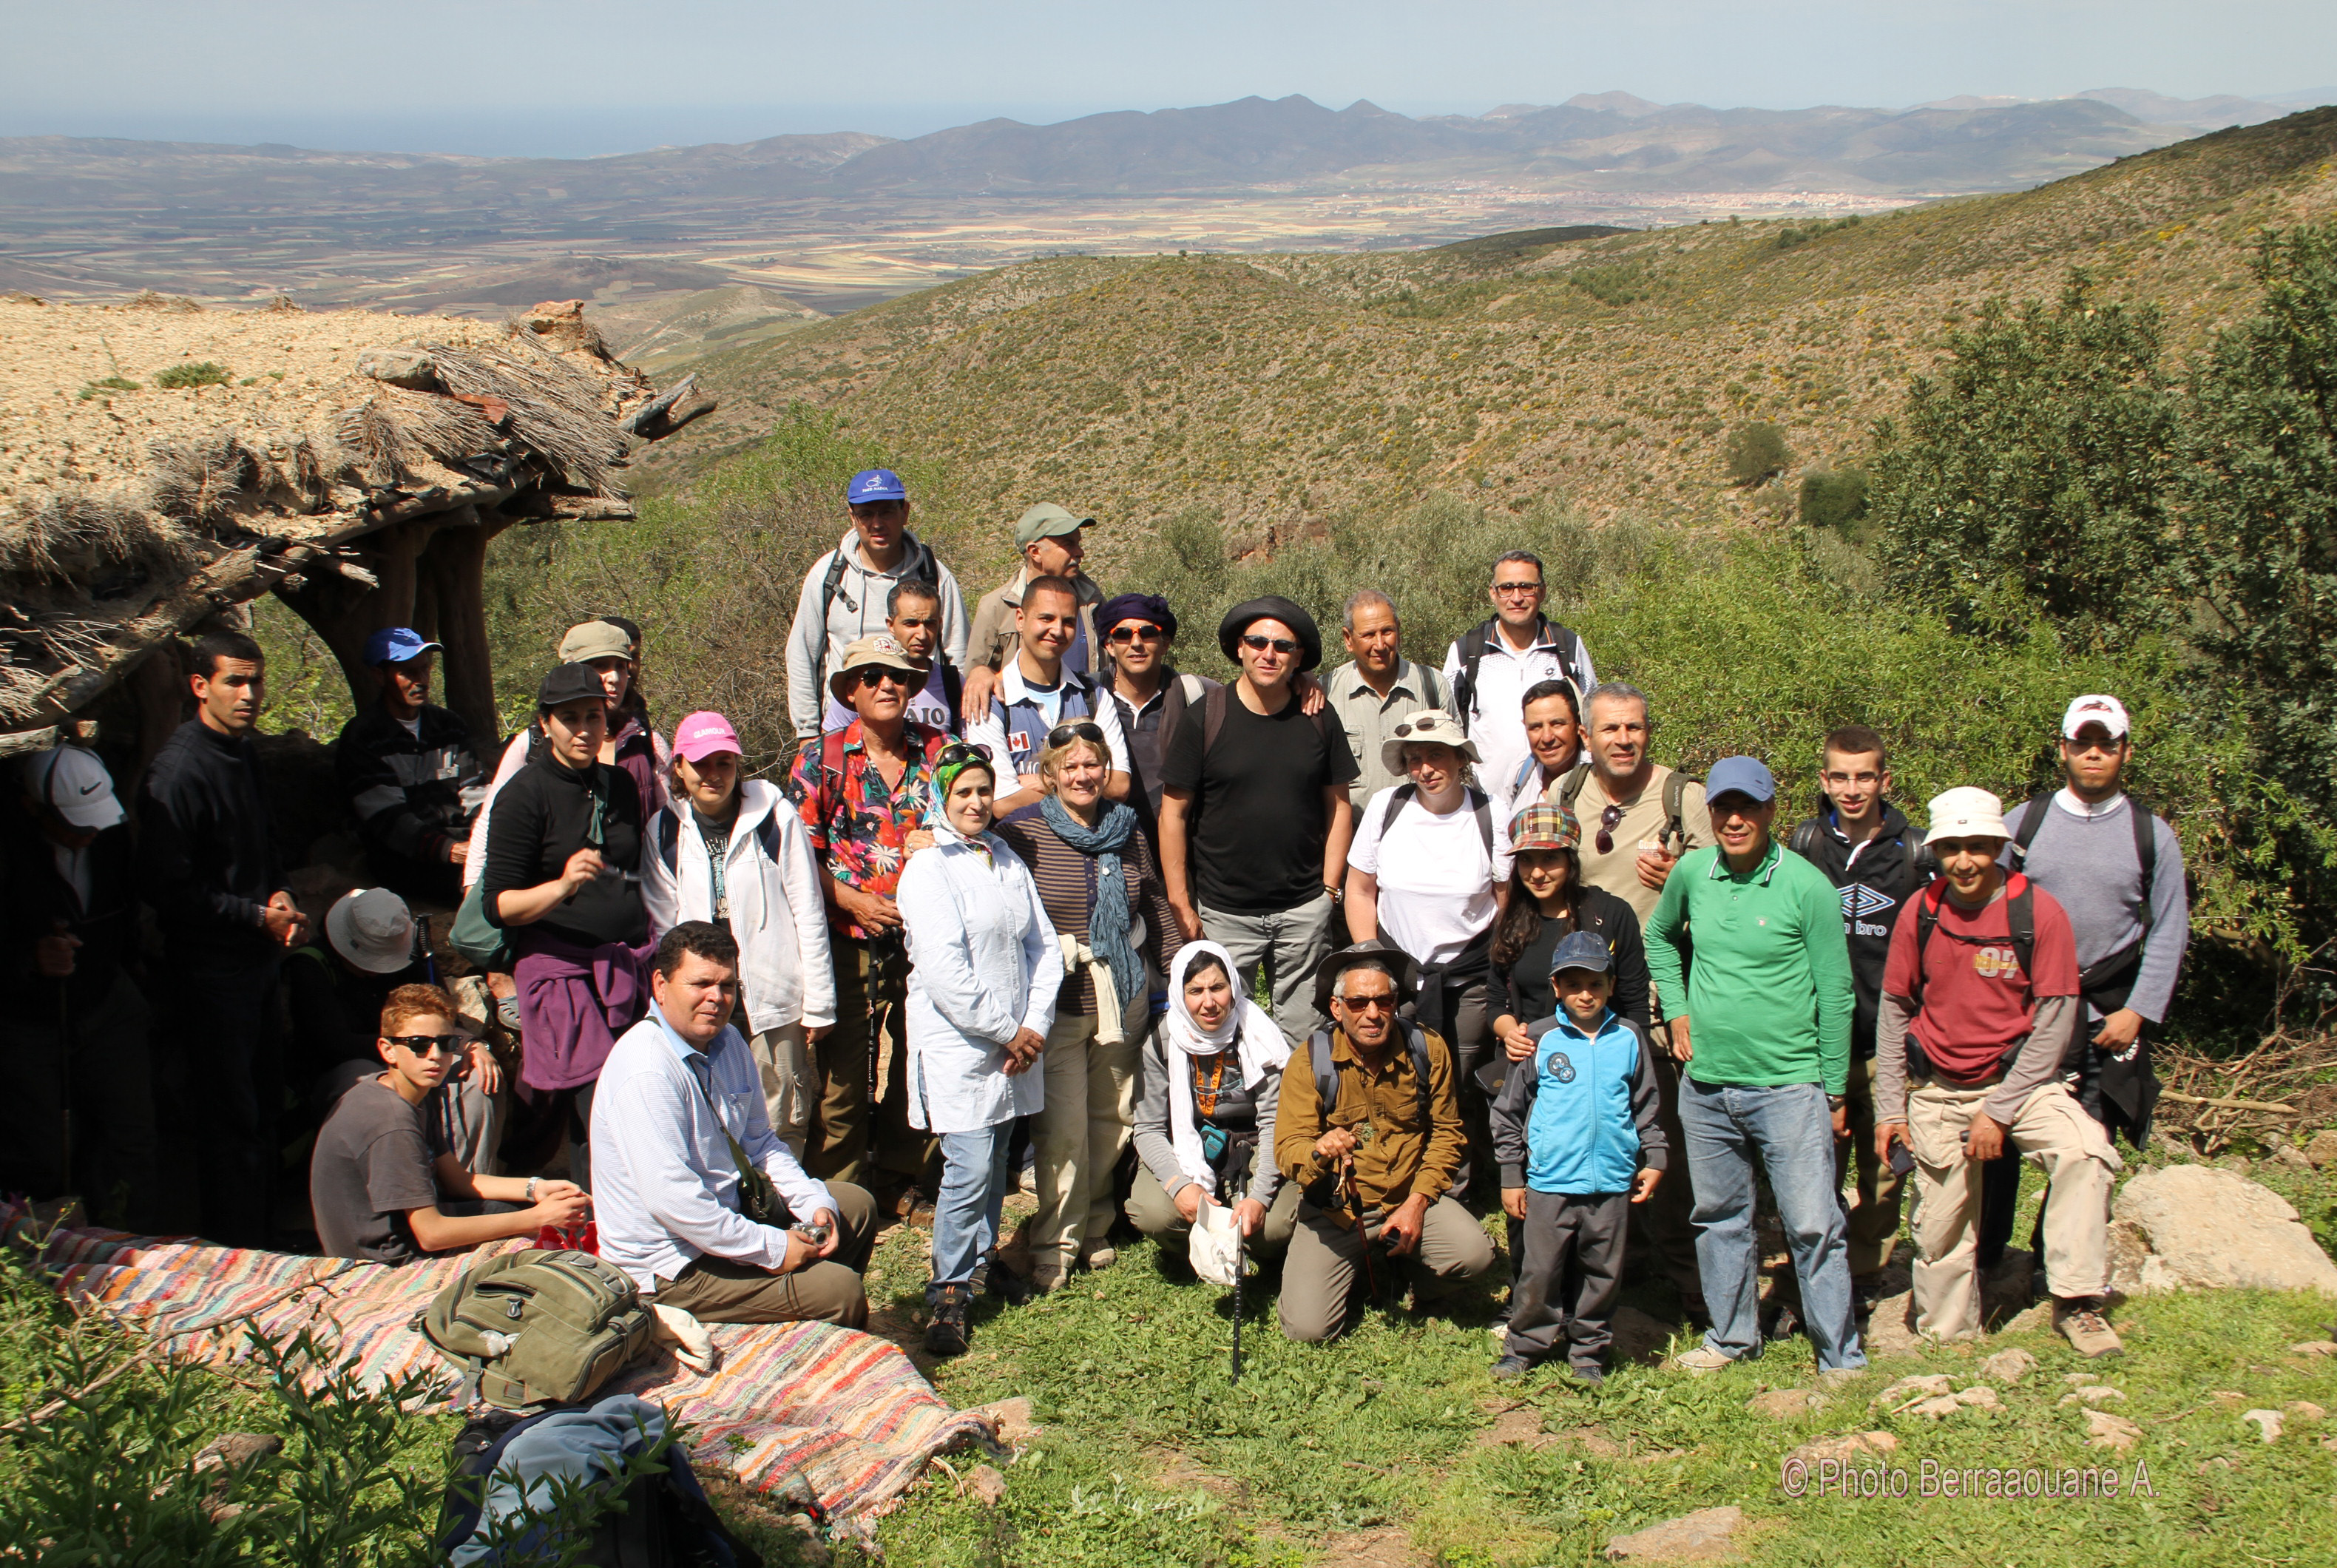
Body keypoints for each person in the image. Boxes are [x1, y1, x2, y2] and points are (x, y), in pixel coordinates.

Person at [1873, 789, 2124, 1357]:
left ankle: (2077, 1302)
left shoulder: (2038, 913)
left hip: (2023, 1084)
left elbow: (2057, 1018)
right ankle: (1950, 1341)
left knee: (2085, 1152)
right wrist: (1891, 1109)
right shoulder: (1923, 911)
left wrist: (2000, 1110)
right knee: (1940, 1233)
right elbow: (1894, 1009)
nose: (1965, 861)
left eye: (1979, 848)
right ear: (1936, 851)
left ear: (1999, 849)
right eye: (1953, 848)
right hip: (1940, 1087)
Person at [1645, 757, 1863, 1375]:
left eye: (1748, 808)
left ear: (1771, 811)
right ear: (1708, 813)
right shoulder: (1692, 872)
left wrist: (1834, 1085)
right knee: (1718, 1219)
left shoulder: (1807, 886)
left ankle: (1839, 1356)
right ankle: (1731, 1339)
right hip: (1707, 1082)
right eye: (1723, 808)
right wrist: (1678, 1010)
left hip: (1790, 1085)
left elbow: (1836, 991)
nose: (1735, 820)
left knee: (1813, 1225)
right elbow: (1661, 937)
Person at [1978, 693, 2191, 1279]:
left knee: (2092, 1138)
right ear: (2064, 748)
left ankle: (2058, 1269)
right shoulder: (2026, 822)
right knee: (2003, 1130)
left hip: (2107, 1011)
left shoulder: (2153, 836)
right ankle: (1989, 1257)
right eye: (2083, 743)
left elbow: (2170, 927)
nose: (2093, 754)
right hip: (2026, 1009)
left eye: (2106, 744)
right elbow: (1986, 906)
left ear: (2125, 750)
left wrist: (2141, 1012)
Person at [592, 922, 877, 1325]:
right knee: (839, 1291)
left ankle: (799, 1318)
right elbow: (676, 1203)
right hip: (671, 1264)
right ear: (660, 984)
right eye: (701, 984)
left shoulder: (728, 1043)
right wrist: (773, 1247)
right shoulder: (646, 1071)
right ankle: (806, 1323)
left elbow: (761, 1142)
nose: (717, 998)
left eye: (727, 986)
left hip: (729, 1217)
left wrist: (810, 1202)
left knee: (851, 1206)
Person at [995, 723, 1183, 1288]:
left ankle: (1096, 1221)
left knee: (1114, 1117)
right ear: (1048, 774)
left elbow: (1152, 901)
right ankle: (1056, 1241)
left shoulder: (1128, 830)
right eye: (1069, 766)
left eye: (1092, 764)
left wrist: (1175, 971)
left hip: (1122, 993)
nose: (1082, 776)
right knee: (1062, 1128)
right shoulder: (1020, 833)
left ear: (1106, 770)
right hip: (1058, 1001)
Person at [138, 629, 307, 1247]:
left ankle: (263, 1234)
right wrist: (251, 915)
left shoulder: (244, 754)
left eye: (256, 680)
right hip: (209, 971)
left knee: (265, 1107)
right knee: (228, 1119)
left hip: (258, 963)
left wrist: (282, 892)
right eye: (235, 680)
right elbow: (166, 890)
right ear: (199, 685)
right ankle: (234, 1246)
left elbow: (264, 846)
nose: (249, 693)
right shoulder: (178, 772)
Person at [896, 746, 1061, 1353]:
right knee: (966, 1168)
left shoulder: (1005, 857)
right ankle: (948, 1290)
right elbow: (945, 971)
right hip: (962, 1046)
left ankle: (983, 1266)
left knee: (994, 1163)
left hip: (1013, 1043)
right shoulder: (928, 870)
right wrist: (1006, 1030)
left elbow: (1041, 948)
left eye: (983, 791)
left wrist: (1033, 1026)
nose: (975, 803)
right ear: (941, 796)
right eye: (962, 792)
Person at [1555, 680, 1711, 1313]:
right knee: (1595, 1132)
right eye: (1610, 730)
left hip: (1659, 996)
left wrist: (1682, 878)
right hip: (1586, 997)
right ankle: (1609, 1271)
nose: (1624, 740)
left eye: (1635, 728)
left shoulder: (1684, 798)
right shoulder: (1564, 794)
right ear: (1586, 737)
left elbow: (1727, 889)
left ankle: (1690, 1279)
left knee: (1664, 1134)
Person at [783, 633, 950, 1200]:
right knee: (844, 1073)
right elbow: (796, 858)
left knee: (917, 1057)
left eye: (898, 677)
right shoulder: (821, 760)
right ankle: (841, 1192)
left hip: (924, 940)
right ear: (850, 689)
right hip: (846, 937)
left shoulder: (939, 753)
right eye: (873, 676)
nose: (887, 686)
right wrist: (851, 900)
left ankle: (903, 1176)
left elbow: (971, 825)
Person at [478, 663, 652, 1191]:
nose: (583, 729)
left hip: (623, 964)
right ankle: (596, 1231)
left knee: (632, 1094)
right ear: (544, 723)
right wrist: (561, 885)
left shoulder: (620, 785)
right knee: (593, 1106)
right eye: (569, 718)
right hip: (559, 968)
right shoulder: (523, 796)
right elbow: (498, 904)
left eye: (593, 717)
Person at [1159, 596, 1359, 1046]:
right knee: (1221, 1031)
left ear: (1298, 657)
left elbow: (1339, 805)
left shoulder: (1318, 716)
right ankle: (1228, 1118)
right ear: (1240, 649)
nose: (1269, 653)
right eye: (1258, 642)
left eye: (1283, 646)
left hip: (1304, 909)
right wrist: (1180, 901)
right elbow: (1173, 813)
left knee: (1305, 1034)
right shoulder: (1206, 717)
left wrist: (1328, 889)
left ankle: (1294, 1117)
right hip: (1226, 912)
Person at [1274, 942, 1495, 1342]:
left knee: (1475, 1257)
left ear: (1396, 1003)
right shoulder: (1310, 1060)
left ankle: (1415, 1276)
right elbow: (1288, 1148)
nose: (1372, 1014)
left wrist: (1417, 1204)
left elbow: (1448, 1133)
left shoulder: (1428, 1049)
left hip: (1410, 1197)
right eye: (1358, 1003)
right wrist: (1320, 1150)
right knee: (1308, 1330)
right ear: (1337, 1008)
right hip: (1339, 1210)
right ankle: (1343, 1269)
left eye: (1383, 1001)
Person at [643, 711, 835, 1160]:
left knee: (782, 1103)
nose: (713, 775)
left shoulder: (774, 817)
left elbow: (807, 908)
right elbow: (661, 926)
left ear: (738, 766)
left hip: (771, 992)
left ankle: (781, 1204)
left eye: (724, 763)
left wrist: (819, 1003)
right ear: (679, 769)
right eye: (701, 764)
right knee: (706, 1104)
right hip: (701, 991)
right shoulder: (665, 830)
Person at [1342, 710, 1509, 1206]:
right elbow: (1359, 889)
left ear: (1460, 758)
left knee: (1453, 1082)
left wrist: (1501, 965)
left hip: (1469, 975)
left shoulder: (1490, 813)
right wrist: (1371, 961)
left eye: (1436, 755)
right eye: (1414, 759)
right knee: (1392, 1073)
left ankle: (1447, 1195)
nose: (1425, 768)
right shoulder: (1386, 807)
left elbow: (1505, 899)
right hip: (1397, 970)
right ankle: (1388, 1181)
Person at [1785, 724, 1928, 1301]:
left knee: (1884, 1166)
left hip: (1887, 1036)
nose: (1852, 788)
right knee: (1817, 1161)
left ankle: (1866, 1273)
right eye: (1840, 776)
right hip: (1816, 1034)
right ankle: (1817, 1275)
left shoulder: (1914, 851)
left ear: (1884, 780)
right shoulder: (1805, 844)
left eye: (1864, 776)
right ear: (1823, 780)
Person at [1490, 930, 1667, 1382]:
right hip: (1549, 1181)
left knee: (1603, 1273)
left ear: (1611, 984)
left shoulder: (1628, 1038)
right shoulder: (1540, 1040)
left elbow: (1645, 1105)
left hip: (1611, 1181)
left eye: (1594, 984)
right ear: (1556, 988)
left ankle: (1588, 1351)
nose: (1584, 994)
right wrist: (1513, 1175)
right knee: (1539, 1272)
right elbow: (1508, 1112)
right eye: (1572, 985)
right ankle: (1525, 1344)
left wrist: (1655, 1156)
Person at [311, 983, 588, 1264]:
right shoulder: (391, 1122)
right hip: (386, 1258)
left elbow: (460, 1182)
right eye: (419, 1045)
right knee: (540, 1250)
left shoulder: (414, 1092)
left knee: (514, 1212)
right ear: (388, 1050)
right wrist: (538, 1218)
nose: (436, 1055)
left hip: (415, 1232)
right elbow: (431, 1234)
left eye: (446, 1043)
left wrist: (536, 1187)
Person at [1, 746, 156, 1227]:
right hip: (27, 1016)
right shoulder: (8, 853)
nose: (87, 834)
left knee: (130, 1129)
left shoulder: (107, 837)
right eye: (73, 824)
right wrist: (27, 960)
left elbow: (125, 906)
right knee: (42, 1145)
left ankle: (130, 1231)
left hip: (106, 996)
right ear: (33, 811)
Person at [290, 886, 503, 1175]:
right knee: (370, 1086)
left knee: (476, 1079)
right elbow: (333, 1043)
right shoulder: (311, 966)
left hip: (413, 1049)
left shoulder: (413, 952)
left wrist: (472, 1044)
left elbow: (441, 1012)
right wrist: (408, 1051)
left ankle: (467, 1185)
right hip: (349, 1067)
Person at [1129, 942, 1300, 1258]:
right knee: (1154, 1213)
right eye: (1195, 991)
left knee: (1271, 1229)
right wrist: (1179, 1185)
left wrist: (1260, 1197)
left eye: (1217, 988)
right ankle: (1198, 1242)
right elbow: (1149, 1128)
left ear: (1233, 988)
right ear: (1180, 996)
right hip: (1186, 1143)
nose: (1208, 1003)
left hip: (1253, 1144)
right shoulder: (1160, 1043)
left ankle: (1248, 1239)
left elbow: (1276, 1125)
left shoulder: (1259, 1035)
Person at [465, 620, 668, 887]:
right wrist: (472, 887)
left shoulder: (647, 744)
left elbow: (666, 828)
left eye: (621, 666)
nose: (615, 678)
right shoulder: (533, 744)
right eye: (600, 666)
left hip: (632, 905)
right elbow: (491, 818)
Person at [786, 467, 970, 742]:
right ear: (852, 517)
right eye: (866, 514)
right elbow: (802, 654)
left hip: (924, 730)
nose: (877, 523)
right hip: (843, 728)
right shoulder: (828, 575)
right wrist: (807, 732)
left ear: (904, 512)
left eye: (886, 512)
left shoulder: (935, 576)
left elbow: (959, 655)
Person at [334, 626, 485, 908]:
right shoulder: (364, 737)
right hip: (403, 858)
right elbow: (389, 821)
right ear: (380, 676)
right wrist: (451, 851)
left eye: (425, 670)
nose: (422, 680)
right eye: (408, 673)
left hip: (462, 842)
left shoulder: (448, 725)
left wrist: (484, 834)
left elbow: (475, 791)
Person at [964, 574, 1132, 817]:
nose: (1057, 630)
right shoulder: (989, 700)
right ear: (1020, 620)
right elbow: (1001, 801)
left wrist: (1041, 781)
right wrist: (1081, 789)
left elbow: (1119, 785)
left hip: (1090, 850)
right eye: (1046, 618)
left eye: (1068, 621)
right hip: (1018, 850)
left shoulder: (1094, 696)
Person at [1441, 552, 1597, 797]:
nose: (1516, 598)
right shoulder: (1465, 652)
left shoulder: (1568, 647)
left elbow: (1591, 720)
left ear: (1542, 591)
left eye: (1527, 587)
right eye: (1507, 588)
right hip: (1488, 803)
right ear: (1493, 593)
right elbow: (1448, 725)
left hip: (1561, 797)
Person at [962, 502, 1105, 720]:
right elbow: (975, 677)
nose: (1080, 552)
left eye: (1078, 543)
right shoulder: (997, 607)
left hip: (1089, 722)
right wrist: (979, 673)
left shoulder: (1093, 600)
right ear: (1035, 552)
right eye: (1068, 544)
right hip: (1024, 726)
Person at [1326, 589, 1455, 812]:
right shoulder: (1326, 693)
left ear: (1399, 630)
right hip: (1353, 837)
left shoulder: (1433, 686)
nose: (1379, 644)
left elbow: (1457, 764)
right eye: (1368, 635)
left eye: (1387, 631)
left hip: (1422, 832)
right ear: (1348, 639)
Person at [1096, 593, 1214, 834]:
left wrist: (1301, 678)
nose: (1136, 643)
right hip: (1104, 850)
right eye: (1123, 634)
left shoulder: (1197, 694)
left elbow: (1255, 694)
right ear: (1109, 645)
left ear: (1165, 643)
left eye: (1148, 633)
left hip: (1180, 848)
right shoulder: (1087, 695)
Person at [820, 579, 961, 736]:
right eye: (911, 624)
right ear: (891, 625)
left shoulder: (953, 683)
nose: (922, 635)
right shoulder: (867, 680)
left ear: (940, 624)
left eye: (930, 624)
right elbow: (831, 748)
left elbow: (970, 748)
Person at [1494, 680, 1584, 826]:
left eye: (1557, 724)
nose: (1547, 737)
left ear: (1578, 724)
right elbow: (1497, 830)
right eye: (1535, 727)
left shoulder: (1598, 775)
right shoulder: (1520, 771)